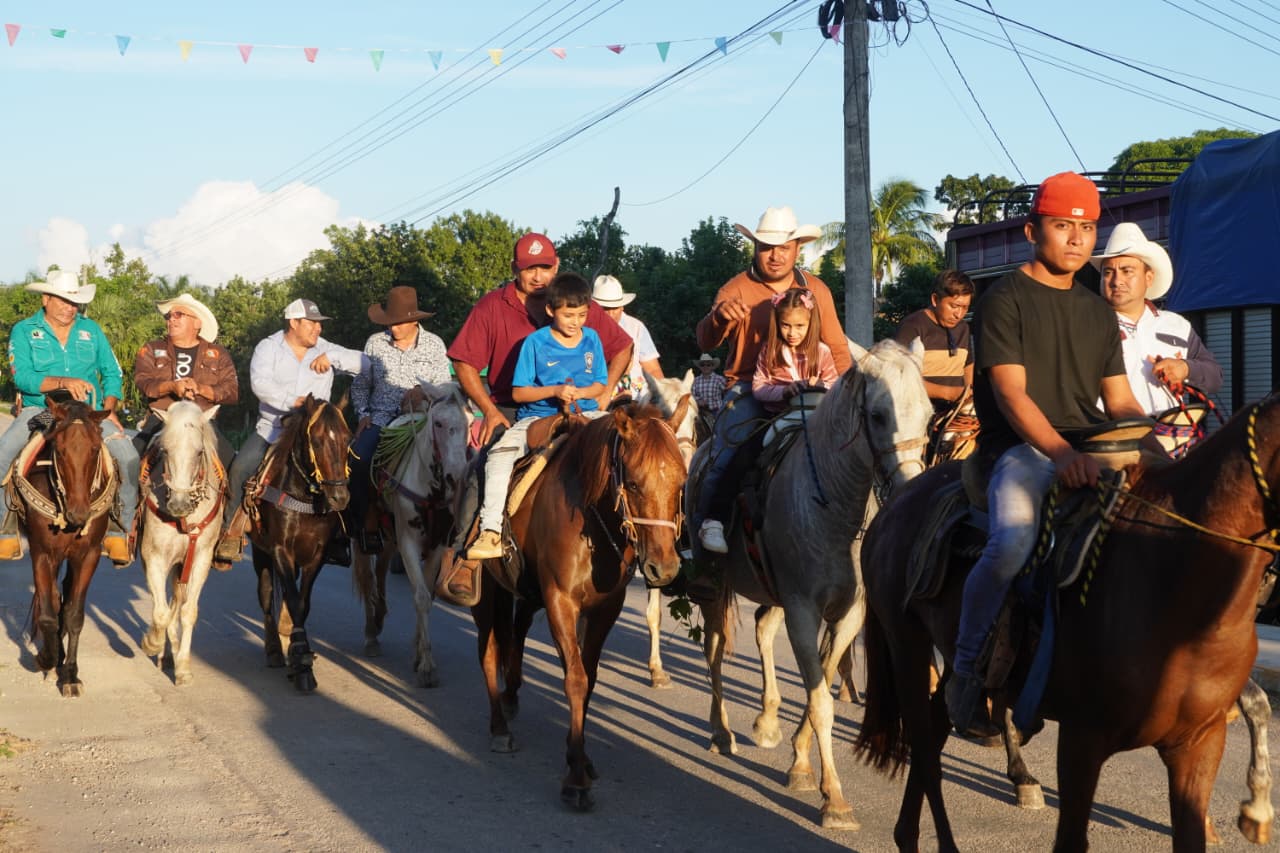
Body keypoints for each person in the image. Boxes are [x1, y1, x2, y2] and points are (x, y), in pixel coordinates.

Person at [946, 172, 1160, 732]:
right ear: (1031, 230)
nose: (1076, 239)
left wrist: (1160, 450)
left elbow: (1119, 400)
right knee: (1012, 544)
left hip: (1092, 445)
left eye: (1086, 229)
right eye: (1062, 226)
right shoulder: (1003, 300)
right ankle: (964, 670)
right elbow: (1011, 394)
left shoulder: (1097, 310)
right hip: (1021, 449)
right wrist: (1062, 455)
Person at [439, 232, 633, 603]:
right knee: (483, 467)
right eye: (530, 269)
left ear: (555, 266)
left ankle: (647, 540)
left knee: (626, 457)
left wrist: (604, 392)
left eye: (545, 267)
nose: (538, 276)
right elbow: (463, 362)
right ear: (516, 269)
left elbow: (623, 346)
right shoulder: (492, 306)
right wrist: (490, 411)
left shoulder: (575, 301)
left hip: (582, 405)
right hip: (513, 407)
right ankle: (467, 556)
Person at [693, 206, 851, 554]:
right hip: (750, 387)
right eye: (767, 247)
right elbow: (705, 341)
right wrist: (718, 318)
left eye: (784, 247)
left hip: (811, 388)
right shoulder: (735, 289)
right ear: (755, 247)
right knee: (728, 450)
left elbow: (838, 348)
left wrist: (850, 393)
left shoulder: (816, 289)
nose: (776, 255)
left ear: (797, 248)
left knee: (860, 444)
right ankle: (706, 538)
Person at [213, 299, 367, 568]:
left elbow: (366, 363)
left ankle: (340, 537)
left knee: (342, 474)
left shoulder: (325, 348)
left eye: (319, 324)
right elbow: (260, 384)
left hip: (315, 437)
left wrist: (332, 358)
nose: (318, 329)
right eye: (312, 323)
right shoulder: (268, 347)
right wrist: (294, 401)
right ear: (293, 322)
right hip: (273, 430)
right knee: (240, 468)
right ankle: (230, 532)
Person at [0, 270, 139, 565]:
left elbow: (112, 372)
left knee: (128, 457)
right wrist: (62, 382)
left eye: (74, 302)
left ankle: (119, 530)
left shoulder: (92, 331)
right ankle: (4, 527)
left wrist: (109, 408)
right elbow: (22, 376)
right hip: (42, 409)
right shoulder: (24, 331)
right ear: (46, 299)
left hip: (89, 413)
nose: (70, 307)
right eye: (63, 300)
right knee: (4, 452)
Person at [466, 272, 607, 559]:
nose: (575, 322)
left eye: (582, 315)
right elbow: (519, 393)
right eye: (568, 315)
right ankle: (490, 530)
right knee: (499, 456)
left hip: (588, 412)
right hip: (538, 416)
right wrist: (555, 390)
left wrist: (580, 393)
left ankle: (632, 526)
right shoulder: (535, 343)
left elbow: (600, 384)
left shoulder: (592, 339)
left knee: (623, 447)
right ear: (550, 310)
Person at [348, 286, 451, 554]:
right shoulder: (374, 343)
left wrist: (423, 393)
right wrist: (364, 414)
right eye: (390, 323)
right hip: (381, 419)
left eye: (398, 323)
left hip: (421, 420)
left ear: (414, 321)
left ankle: (452, 526)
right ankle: (363, 525)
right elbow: (361, 386)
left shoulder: (434, 345)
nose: (393, 328)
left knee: (453, 461)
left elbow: (444, 386)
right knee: (359, 459)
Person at [1091, 222, 1223, 415]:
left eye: (1127, 271)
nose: (1117, 281)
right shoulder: (1086, 325)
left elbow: (1215, 377)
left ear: (1149, 278)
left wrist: (1185, 368)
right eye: (1108, 272)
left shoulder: (1177, 325)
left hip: (1172, 431)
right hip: (1112, 432)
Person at [132, 293, 238, 466]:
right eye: (169, 316)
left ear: (197, 323)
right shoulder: (151, 348)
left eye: (178, 314)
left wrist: (201, 389)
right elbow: (143, 382)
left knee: (233, 466)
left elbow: (232, 391)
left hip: (202, 420)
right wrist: (171, 387)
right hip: (162, 418)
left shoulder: (219, 353)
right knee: (131, 460)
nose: (171, 319)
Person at [893, 269, 975, 413]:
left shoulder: (963, 328)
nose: (959, 314)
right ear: (935, 300)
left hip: (956, 417)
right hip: (918, 416)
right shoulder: (912, 327)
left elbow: (968, 369)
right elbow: (900, 377)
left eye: (965, 308)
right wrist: (949, 393)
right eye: (954, 306)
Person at [752, 289, 839, 412]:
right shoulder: (769, 350)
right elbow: (758, 388)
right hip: (778, 414)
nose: (792, 333)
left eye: (799, 326)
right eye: (785, 325)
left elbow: (835, 387)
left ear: (811, 323)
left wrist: (821, 386)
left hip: (813, 413)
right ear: (777, 322)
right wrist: (784, 391)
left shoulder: (822, 351)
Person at [592, 274, 663, 402]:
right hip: (602, 399)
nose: (611, 314)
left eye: (615, 308)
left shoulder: (636, 327)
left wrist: (662, 397)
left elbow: (653, 369)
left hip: (639, 399)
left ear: (622, 306)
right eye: (605, 308)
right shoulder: (586, 330)